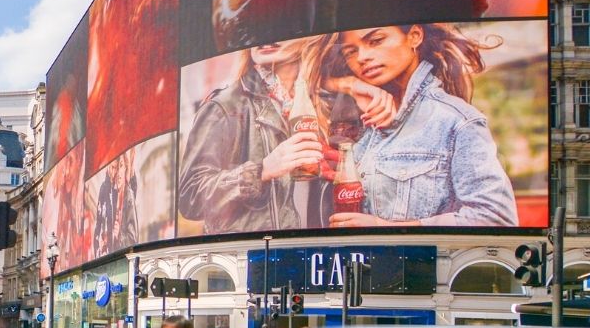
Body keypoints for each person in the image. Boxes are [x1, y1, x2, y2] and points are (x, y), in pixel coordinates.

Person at [324, 23, 515, 227]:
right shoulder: (350, 113)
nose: (362, 57)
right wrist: (348, 84)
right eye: (351, 52)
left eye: (376, 41)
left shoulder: (457, 121)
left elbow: (496, 218)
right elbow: (299, 79)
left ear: (414, 36)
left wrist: (386, 228)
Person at [179, 37, 323, 233]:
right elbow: (190, 197)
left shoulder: (321, 101)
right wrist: (261, 171)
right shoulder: (225, 107)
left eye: (282, 28)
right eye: (258, 30)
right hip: (253, 256)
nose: (267, 37)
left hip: (315, 251)